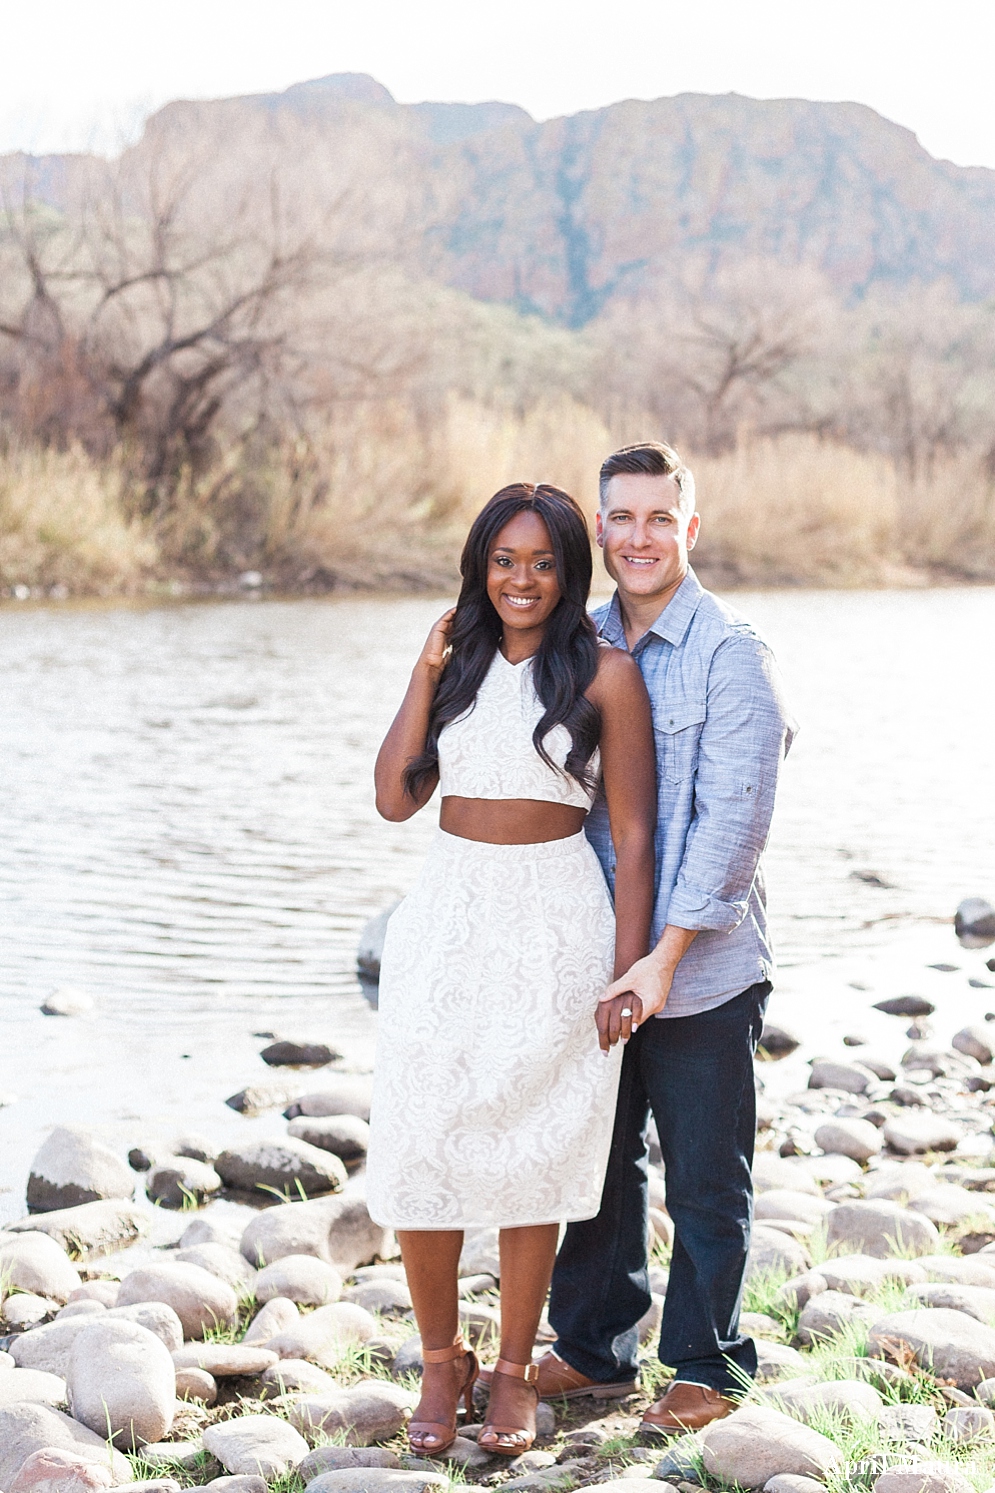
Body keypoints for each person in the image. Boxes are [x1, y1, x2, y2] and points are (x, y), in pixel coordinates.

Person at [367, 483, 656, 1458]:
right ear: (478, 565)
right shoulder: (457, 659)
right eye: (502, 559)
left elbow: (631, 829)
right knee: (423, 1132)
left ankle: (516, 1369)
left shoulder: (605, 673)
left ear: (569, 570)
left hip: (552, 918)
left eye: (539, 561)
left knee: (534, 1140)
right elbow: (392, 800)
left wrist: (627, 970)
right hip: (445, 912)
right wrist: (424, 666)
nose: (519, 579)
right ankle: (440, 1358)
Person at [536, 442, 796, 1434]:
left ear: (687, 528)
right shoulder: (578, 642)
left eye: (658, 518)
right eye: (621, 517)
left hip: (701, 966)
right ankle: (594, 1348)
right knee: (597, 1166)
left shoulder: (732, 651)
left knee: (702, 1171)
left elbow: (732, 822)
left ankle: (707, 1360)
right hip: (596, 959)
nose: (638, 536)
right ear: (598, 529)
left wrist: (663, 955)